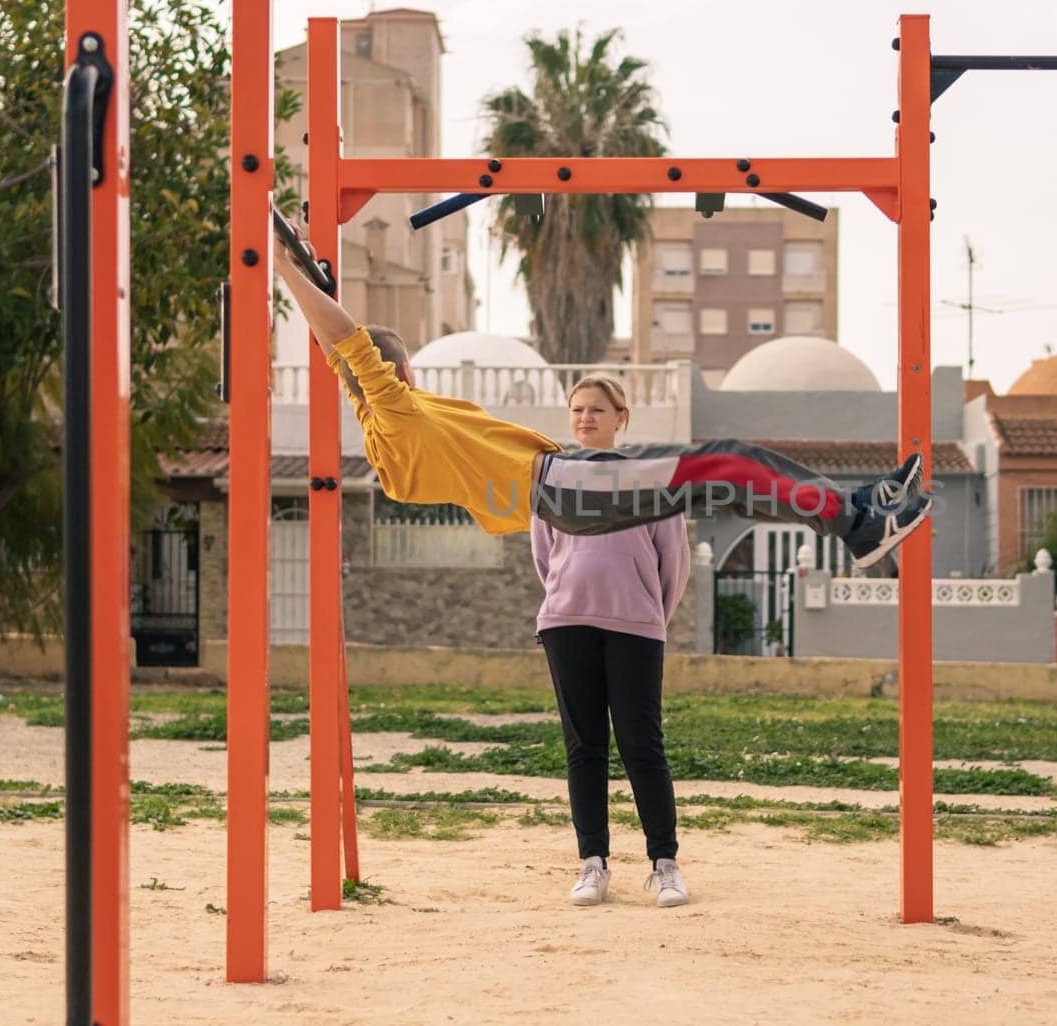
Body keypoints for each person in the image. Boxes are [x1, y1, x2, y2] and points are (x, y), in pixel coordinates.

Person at [270, 232, 932, 568]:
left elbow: (344, 356)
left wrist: (304, 267)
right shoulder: (397, 412)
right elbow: (350, 346)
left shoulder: (380, 422)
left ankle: (858, 509)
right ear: (403, 367)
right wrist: (281, 265)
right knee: (724, 463)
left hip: (561, 492)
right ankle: (856, 523)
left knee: (726, 473)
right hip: (561, 487)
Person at [531, 375, 689, 907]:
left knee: (642, 746)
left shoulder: (650, 479)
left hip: (636, 627)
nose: (585, 418)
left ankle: (664, 864)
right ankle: (592, 864)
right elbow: (545, 555)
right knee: (584, 748)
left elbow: (675, 560)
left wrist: (649, 616)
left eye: (597, 409)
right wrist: (567, 599)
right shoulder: (553, 479)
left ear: (621, 416)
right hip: (566, 623)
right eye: (577, 409)